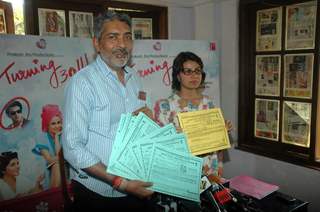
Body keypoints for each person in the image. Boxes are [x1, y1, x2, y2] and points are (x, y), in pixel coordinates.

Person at [62, 11, 155, 211]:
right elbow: (72, 148)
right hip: (97, 194)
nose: (122, 44)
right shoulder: (83, 82)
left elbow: (131, 120)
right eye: (113, 37)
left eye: (127, 37)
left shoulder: (133, 77)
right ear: (97, 43)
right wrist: (120, 182)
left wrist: (146, 121)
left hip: (136, 185)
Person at [154, 51, 232, 181]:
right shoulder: (164, 106)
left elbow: (217, 149)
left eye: (197, 71)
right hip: (180, 174)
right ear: (178, 75)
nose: (194, 76)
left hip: (209, 173)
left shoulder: (209, 103)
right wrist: (174, 137)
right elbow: (158, 146)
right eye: (188, 71)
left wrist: (222, 130)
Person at [32, 104, 63, 189]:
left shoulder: (64, 135)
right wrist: (57, 137)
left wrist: (57, 137)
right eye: (53, 123)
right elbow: (50, 159)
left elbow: (60, 155)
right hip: (51, 169)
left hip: (67, 168)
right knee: (56, 164)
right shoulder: (42, 137)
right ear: (47, 124)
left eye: (59, 122)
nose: (57, 126)